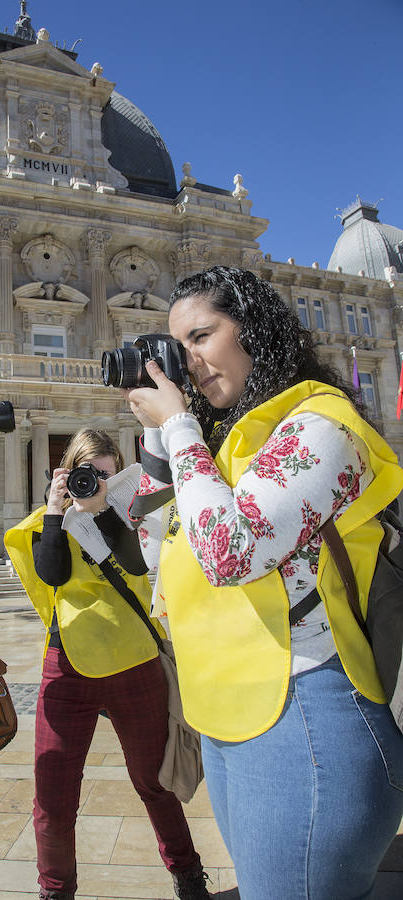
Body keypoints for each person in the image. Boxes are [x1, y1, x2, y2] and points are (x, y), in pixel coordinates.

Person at [124, 266, 403, 900]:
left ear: (252, 328)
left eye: (200, 336)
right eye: (176, 346)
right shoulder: (226, 447)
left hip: (304, 713)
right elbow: (155, 551)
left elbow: (229, 553)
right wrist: (157, 437)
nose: (185, 361)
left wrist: (179, 427)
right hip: (233, 717)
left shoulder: (320, 425)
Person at [4, 428, 210, 900]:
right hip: (69, 660)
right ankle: (55, 891)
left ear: (119, 474)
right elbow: (52, 573)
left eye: (105, 473)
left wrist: (101, 510)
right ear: (67, 472)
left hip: (133, 657)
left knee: (153, 782)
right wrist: (58, 511)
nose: (95, 481)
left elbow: (137, 566)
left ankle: (189, 876)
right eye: (86, 473)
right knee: (53, 794)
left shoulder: (133, 515)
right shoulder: (47, 520)